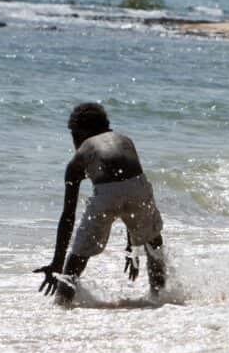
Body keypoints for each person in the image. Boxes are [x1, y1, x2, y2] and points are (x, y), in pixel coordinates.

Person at [35, 103, 167, 301]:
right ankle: (160, 296)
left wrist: (57, 263)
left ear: (80, 131)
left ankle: (62, 302)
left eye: (73, 135)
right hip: (139, 188)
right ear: (106, 126)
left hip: (106, 195)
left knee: (78, 256)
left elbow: (68, 216)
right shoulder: (125, 141)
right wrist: (133, 244)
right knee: (154, 241)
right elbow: (129, 191)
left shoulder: (79, 157)